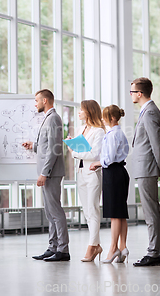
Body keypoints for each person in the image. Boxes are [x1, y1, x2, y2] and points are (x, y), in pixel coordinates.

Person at [23, 89, 70, 262]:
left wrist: (45, 173)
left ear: (45, 100)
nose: (35, 104)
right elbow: (46, 145)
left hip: (51, 173)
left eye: (37, 100)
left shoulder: (53, 118)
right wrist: (33, 145)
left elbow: (54, 149)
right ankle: (53, 247)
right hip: (48, 172)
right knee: (50, 212)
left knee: (55, 211)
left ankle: (63, 250)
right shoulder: (49, 118)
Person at [130, 77, 160, 267]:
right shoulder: (147, 111)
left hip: (147, 167)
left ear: (140, 93)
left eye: (132, 92)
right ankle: (155, 251)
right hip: (144, 167)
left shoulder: (150, 112)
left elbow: (156, 144)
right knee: (150, 210)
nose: (131, 95)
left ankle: (154, 252)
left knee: (151, 212)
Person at [90, 105, 130, 264]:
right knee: (121, 213)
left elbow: (110, 157)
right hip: (119, 172)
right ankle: (123, 246)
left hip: (113, 173)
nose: (102, 119)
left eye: (104, 117)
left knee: (115, 214)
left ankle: (113, 249)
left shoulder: (113, 134)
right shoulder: (118, 133)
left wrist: (97, 163)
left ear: (112, 118)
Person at [67, 100, 105, 262]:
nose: (79, 112)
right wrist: (71, 143)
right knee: (87, 211)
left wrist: (74, 152)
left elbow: (94, 154)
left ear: (89, 112)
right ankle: (96, 244)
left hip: (93, 173)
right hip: (81, 172)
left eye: (81, 110)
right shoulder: (80, 129)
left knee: (93, 209)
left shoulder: (99, 132)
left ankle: (92, 246)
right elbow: (80, 149)